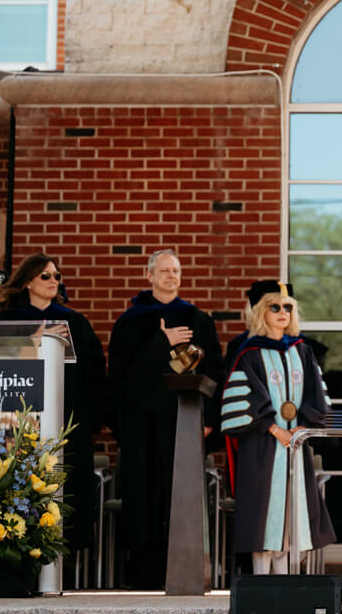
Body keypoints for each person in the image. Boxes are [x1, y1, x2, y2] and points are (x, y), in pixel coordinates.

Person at [108, 249, 224, 589]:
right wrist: (162, 341)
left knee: (180, 499)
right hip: (141, 427)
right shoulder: (131, 322)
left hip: (183, 424)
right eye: (164, 270)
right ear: (149, 275)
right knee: (143, 500)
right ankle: (144, 576)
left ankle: (184, 574)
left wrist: (209, 420)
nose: (171, 276)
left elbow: (214, 370)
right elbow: (122, 377)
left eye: (176, 270)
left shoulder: (198, 320)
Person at [0, 253, 106, 553]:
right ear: (28, 281)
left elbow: (94, 374)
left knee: (68, 491)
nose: (53, 281)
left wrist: (89, 421)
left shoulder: (75, 323)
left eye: (56, 276)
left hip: (65, 421)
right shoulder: (5, 322)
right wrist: (33, 341)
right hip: (15, 422)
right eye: (46, 276)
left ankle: (64, 556)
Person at [220, 281, 335, 573]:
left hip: (295, 444)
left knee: (288, 521)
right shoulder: (248, 353)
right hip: (262, 447)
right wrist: (274, 429)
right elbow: (245, 400)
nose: (283, 312)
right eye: (275, 307)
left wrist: (303, 426)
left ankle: (282, 588)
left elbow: (316, 395)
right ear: (262, 312)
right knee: (263, 519)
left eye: (288, 307)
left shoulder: (302, 351)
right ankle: (261, 586)